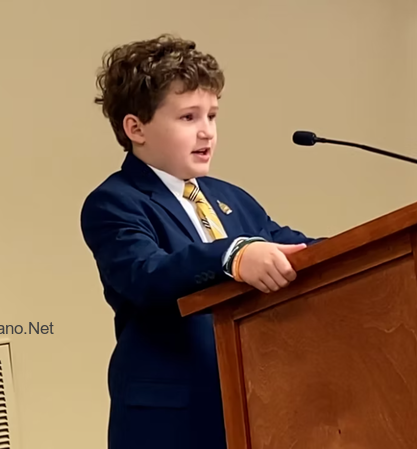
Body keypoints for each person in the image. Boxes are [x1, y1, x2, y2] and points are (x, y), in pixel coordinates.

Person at [80, 34, 319, 449]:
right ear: (135, 128)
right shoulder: (115, 203)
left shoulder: (231, 197)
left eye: (212, 115)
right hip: (173, 419)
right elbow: (146, 274)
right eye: (189, 118)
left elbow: (293, 246)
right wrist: (232, 255)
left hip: (254, 404)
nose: (207, 132)